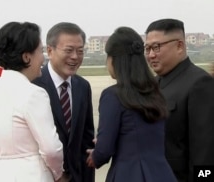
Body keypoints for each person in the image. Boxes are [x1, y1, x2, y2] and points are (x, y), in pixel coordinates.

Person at [86, 27, 177, 182]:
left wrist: (95, 156)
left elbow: (104, 150)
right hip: (162, 173)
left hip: (129, 174)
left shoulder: (113, 95)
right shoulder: (155, 93)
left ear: (114, 60)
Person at [0, 22, 64, 182]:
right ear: (27, 57)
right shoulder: (34, 94)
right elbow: (51, 150)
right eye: (40, 51)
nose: (43, 58)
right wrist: (58, 173)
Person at [145, 18, 214, 182]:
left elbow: (205, 153)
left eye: (157, 47)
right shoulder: (153, 85)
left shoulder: (199, 84)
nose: (151, 55)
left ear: (179, 46)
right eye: (147, 48)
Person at [32, 22, 95, 182]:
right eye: (68, 50)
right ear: (50, 51)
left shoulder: (83, 86)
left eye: (80, 51)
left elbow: (86, 139)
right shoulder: (34, 85)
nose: (75, 56)